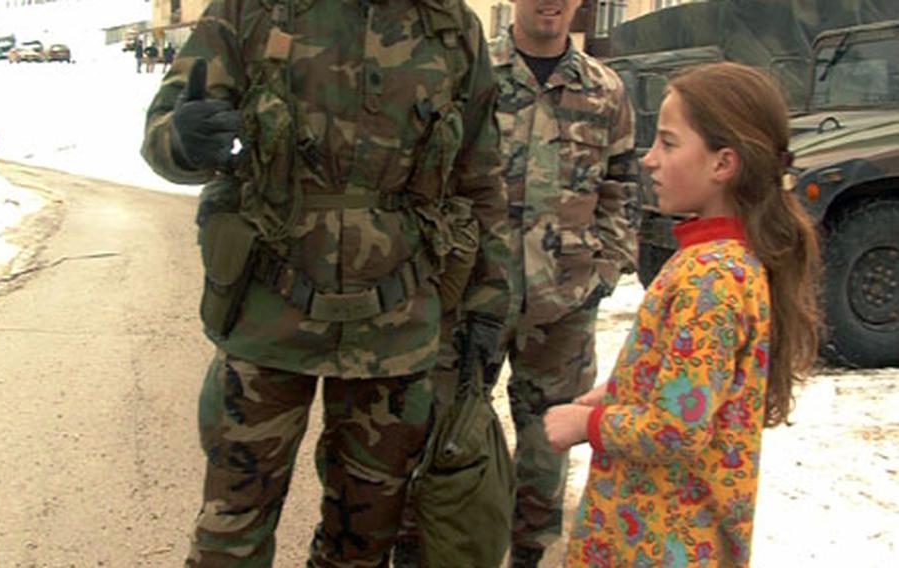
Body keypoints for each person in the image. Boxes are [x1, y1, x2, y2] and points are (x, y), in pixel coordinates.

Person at [140, 0, 510, 565]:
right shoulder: (251, 10)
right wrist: (183, 141)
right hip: (267, 313)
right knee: (230, 536)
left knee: (361, 548)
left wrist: (488, 306)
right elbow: (166, 128)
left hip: (395, 331)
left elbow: (481, 179)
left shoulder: (451, 27)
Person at [544, 62, 821, 566]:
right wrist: (628, 385)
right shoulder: (715, 260)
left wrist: (587, 424)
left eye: (668, 144)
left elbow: (678, 428)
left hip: (663, 540)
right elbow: (698, 384)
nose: (649, 159)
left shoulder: (712, 279)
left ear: (723, 164)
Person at [395, 0, 638, 564]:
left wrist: (604, 271)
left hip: (562, 311)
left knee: (545, 456)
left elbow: (622, 186)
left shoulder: (606, 91)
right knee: (439, 437)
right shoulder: (471, 74)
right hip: (472, 303)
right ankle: (423, 552)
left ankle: (529, 556)